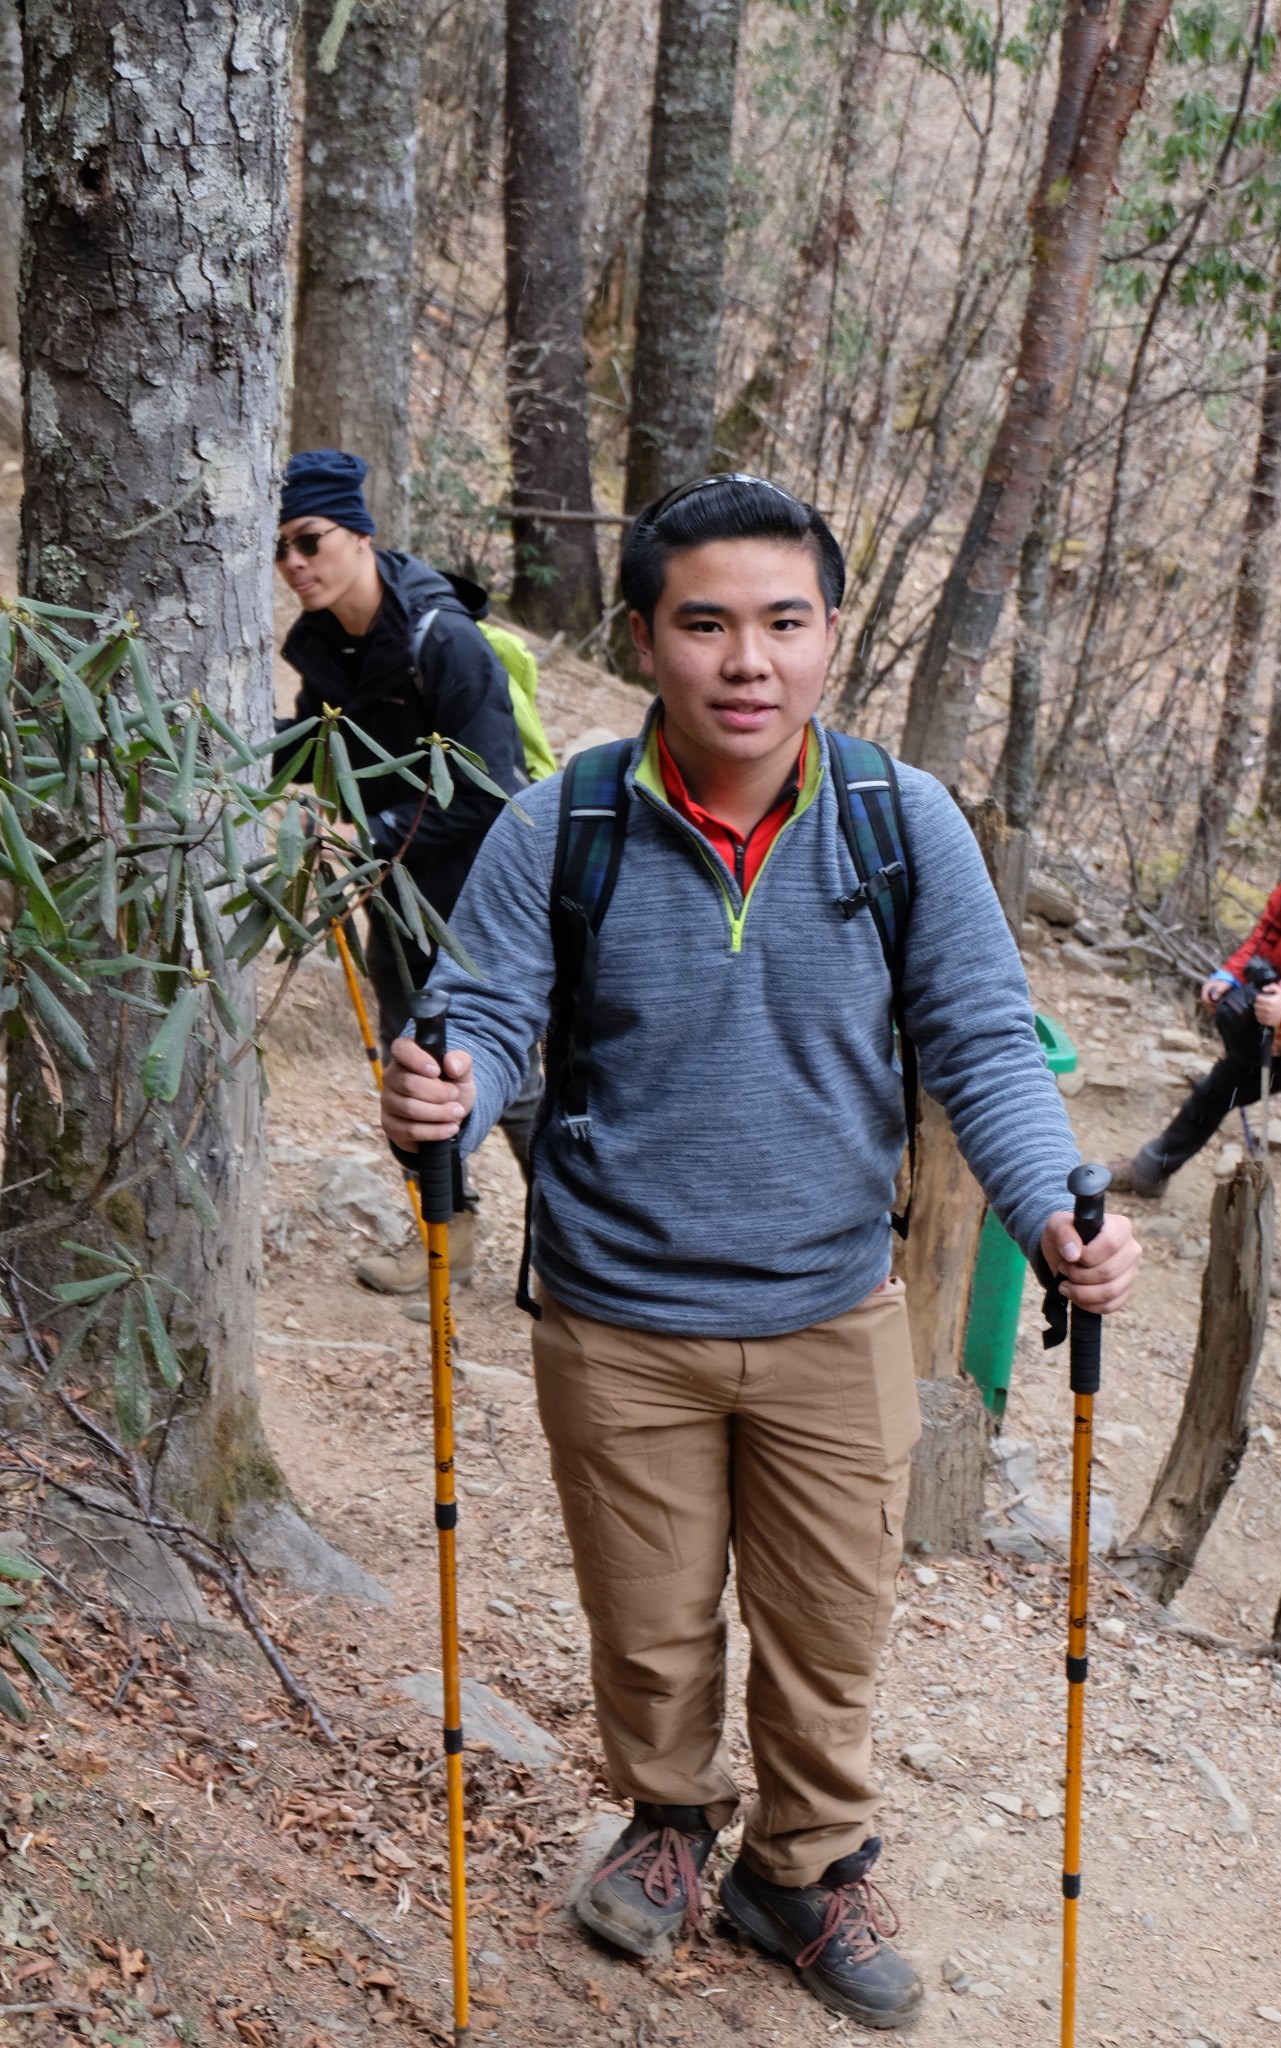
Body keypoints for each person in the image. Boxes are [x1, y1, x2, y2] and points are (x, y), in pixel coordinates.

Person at [378, 475, 1140, 2031]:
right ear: (646, 637)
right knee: (647, 1617)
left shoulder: (896, 820)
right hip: (615, 1313)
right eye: (707, 623)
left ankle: (801, 1867)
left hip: (830, 1309)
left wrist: (1054, 1203)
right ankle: (667, 1826)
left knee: (829, 1624)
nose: (748, 661)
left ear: (831, 638)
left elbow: (982, 1046)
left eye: (783, 624)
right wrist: (439, 1085)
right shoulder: (566, 819)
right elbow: (487, 1015)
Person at [274, 448, 541, 1295]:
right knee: (408, 1066)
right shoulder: (319, 647)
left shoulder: (444, 640)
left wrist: (376, 827)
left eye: (308, 540)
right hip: (389, 892)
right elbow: (312, 752)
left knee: (514, 1076)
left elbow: (491, 786)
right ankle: (444, 1234)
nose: (294, 564)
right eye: (279, 549)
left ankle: (571, 1244)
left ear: (356, 532)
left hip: (479, 894)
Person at [1112, 768, 1281, 1297]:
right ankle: (1150, 1170)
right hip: (1275, 1033)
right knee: (1213, 1094)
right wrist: (1229, 975)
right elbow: (1266, 935)